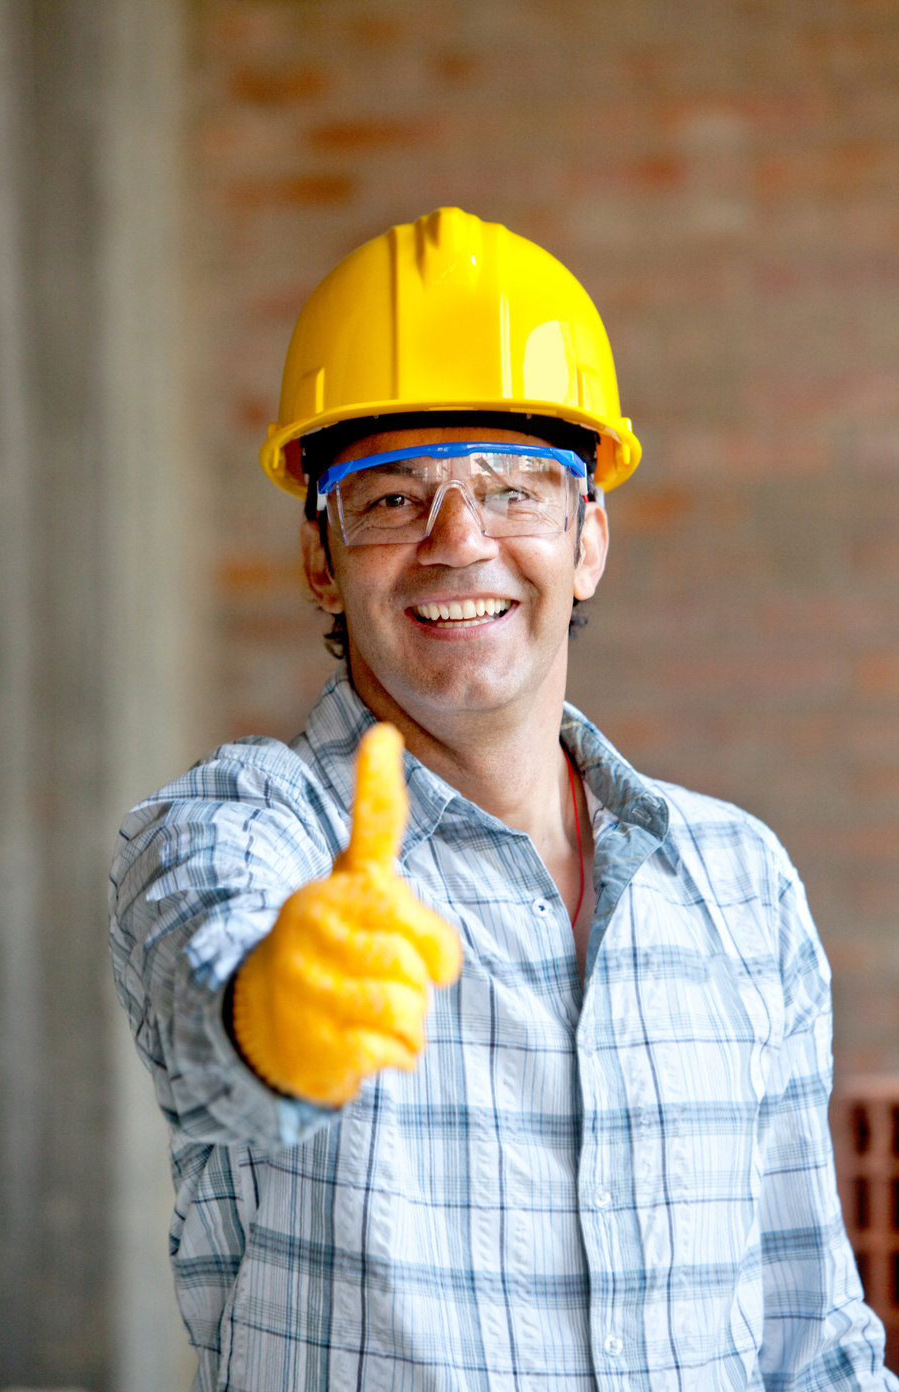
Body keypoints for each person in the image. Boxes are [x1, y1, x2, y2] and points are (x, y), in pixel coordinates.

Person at [110, 208, 896, 1391]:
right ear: (320, 556)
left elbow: (813, 1337)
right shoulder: (248, 832)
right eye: (389, 498)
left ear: (587, 541)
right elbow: (196, 988)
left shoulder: (740, 880)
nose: (457, 540)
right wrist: (274, 1022)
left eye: (517, 488)